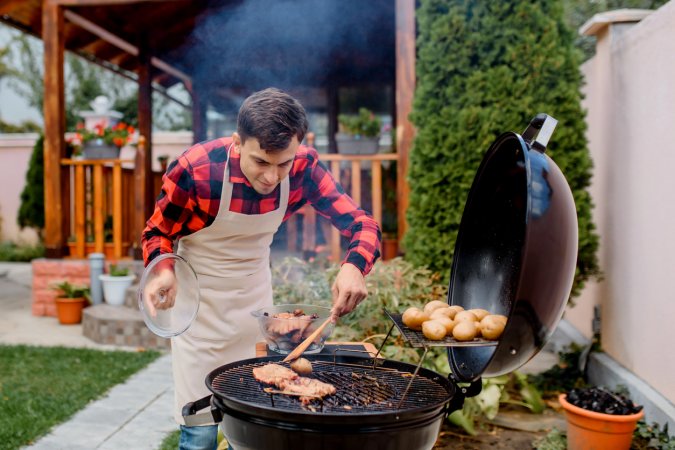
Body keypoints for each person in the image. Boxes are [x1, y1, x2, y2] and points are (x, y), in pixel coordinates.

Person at [141, 87, 381, 450]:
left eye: (283, 164)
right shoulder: (196, 168)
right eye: (261, 162)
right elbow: (159, 231)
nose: (272, 178)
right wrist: (162, 271)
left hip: (254, 307)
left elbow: (362, 224)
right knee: (199, 433)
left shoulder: (304, 166)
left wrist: (354, 266)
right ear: (237, 143)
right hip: (198, 310)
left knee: (253, 427)